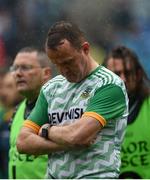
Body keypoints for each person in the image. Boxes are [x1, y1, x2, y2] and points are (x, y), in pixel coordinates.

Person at [16, 21, 128, 179]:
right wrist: (64, 142)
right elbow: (22, 142)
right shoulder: (51, 88)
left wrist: (47, 130)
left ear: (85, 49)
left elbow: (77, 136)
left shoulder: (109, 84)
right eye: (57, 64)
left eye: (68, 62)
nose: (63, 70)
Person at [103, 45, 150, 179]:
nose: (122, 79)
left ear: (139, 74)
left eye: (128, 73)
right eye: (116, 74)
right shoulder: (91, 114)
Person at [9, 47, 53, 179]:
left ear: (46, 73)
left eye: (25, 68)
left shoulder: (56, 109)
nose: (18, 73)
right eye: (14, 68)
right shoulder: (17, 110)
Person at [0, 72, 23, 179]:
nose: (3, 92)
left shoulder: (34, 117)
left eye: (9, 87)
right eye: (2, 86)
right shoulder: (2, 117)